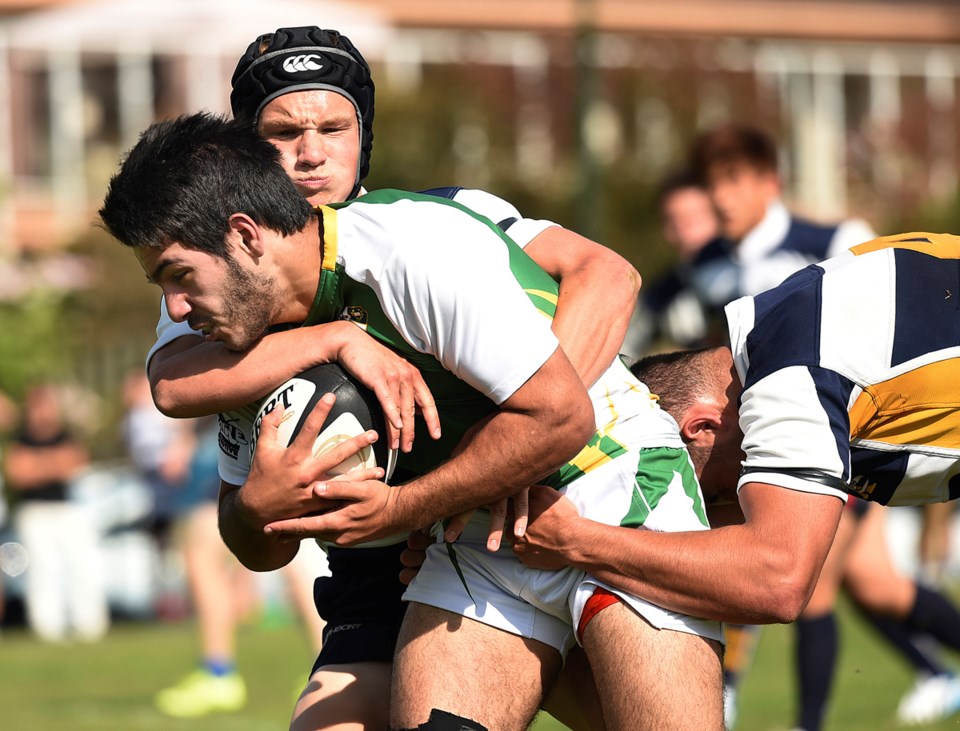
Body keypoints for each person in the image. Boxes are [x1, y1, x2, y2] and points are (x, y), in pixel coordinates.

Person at [99, 112, 725, 731]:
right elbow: (246, 530)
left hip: (610, 483)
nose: (176, 309)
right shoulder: (247, 342)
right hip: (479, 535)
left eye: (179, 276)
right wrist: (258, 507)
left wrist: (403, 511)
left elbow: (561, 418)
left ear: (245, 234)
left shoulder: (408, 250)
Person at [510, 231, 960, 721]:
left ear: (703, 426)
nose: (722, 513)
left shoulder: (787, 377)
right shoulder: (789, 319)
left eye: (715, 493)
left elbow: (778, 578)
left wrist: (577, 541)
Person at [4, 383, 108, 642]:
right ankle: (47, 628)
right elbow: (19, 473)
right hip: (35, 512)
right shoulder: (20, 439)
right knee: (43, 570)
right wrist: (54, 463)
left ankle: (89, 626)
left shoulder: (67, 435)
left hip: (69, 510)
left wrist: (39, 465)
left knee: (82, 566)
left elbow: (74, 464)